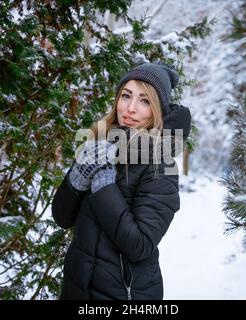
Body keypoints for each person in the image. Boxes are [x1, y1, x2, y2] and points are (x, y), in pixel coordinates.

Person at [51, 62, 192, 300]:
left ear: (157, 110)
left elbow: (140, 245)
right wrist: (79, 175)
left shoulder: (161, 165)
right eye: (126, 96)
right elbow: (62, 217)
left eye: (145, 101)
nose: (131, 108)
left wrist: (103, 183)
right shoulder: (99, 145)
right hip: (78, 288)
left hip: (126, 294)